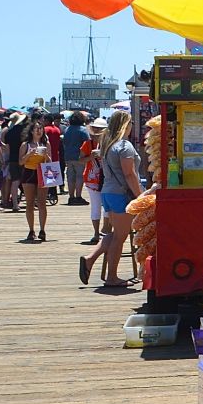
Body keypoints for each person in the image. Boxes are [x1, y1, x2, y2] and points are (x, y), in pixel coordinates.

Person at [80, 110, 140, 286]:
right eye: (130, 123)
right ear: (125, 125)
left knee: (114, 234)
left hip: (108, 191)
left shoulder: (107, 145)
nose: (131, 127)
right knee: (120, 237)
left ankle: (90, 258)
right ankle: (112, 277)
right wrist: (140, 196)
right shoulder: (124, 146)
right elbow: (129, 174)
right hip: (122, 194)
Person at [18, 115, 52, 242]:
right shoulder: (25, 145)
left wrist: (47, 157)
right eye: (36, 128)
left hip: (42, 172)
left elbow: (51, 161)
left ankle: (42, 230)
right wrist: (29, 154)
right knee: (30, 203)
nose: (39, 130)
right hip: (29, 172)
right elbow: (20, 162)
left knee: (42, 203)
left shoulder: (46, 144)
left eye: (41, 128)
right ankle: (31, 230)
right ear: (31, 131)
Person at [79, 117, 107, 247]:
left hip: (107, 178)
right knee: (96, 206)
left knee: (107, 206)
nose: (97, 131)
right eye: (95, 128)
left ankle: (106, 231)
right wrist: (92, 156)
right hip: (92, 178)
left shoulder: (108, 143)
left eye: (100, 129)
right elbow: (81, 159)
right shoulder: (87, 144)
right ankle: (96, 233)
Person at [0, 112, 28, 210]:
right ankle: (30, 202)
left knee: (14, 182)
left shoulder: (9, 133)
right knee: (25, 181)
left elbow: (7, 148)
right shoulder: (24, 132)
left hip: (12, 159)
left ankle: (15, 204)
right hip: (24, 158)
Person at [61, 111, 90, 205]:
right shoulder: (83, 130)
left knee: (70, 177)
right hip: (79, 156)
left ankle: (71, 197)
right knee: (79, 176)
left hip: (68, 156)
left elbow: (64, 142)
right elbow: (87, 142)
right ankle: (78, 196)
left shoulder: (67, 130)